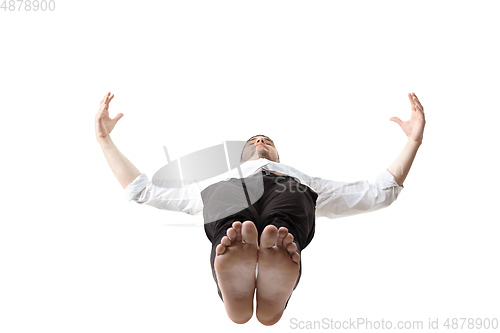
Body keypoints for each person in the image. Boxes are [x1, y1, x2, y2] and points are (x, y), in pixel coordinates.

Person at [95, 92, 425, 326]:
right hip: (228, 193)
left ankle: (270, 274)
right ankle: (242, 270)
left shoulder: (303, 178)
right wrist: (105, 140)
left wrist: (412, 142)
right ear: (242, 155)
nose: (260, 141)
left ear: (276, 152)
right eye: (253, 141)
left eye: (265, 139)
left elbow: (378, 192)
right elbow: (142, 190)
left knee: (281, 220)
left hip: (288, 190)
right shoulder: (218, 179)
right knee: (234, 220)